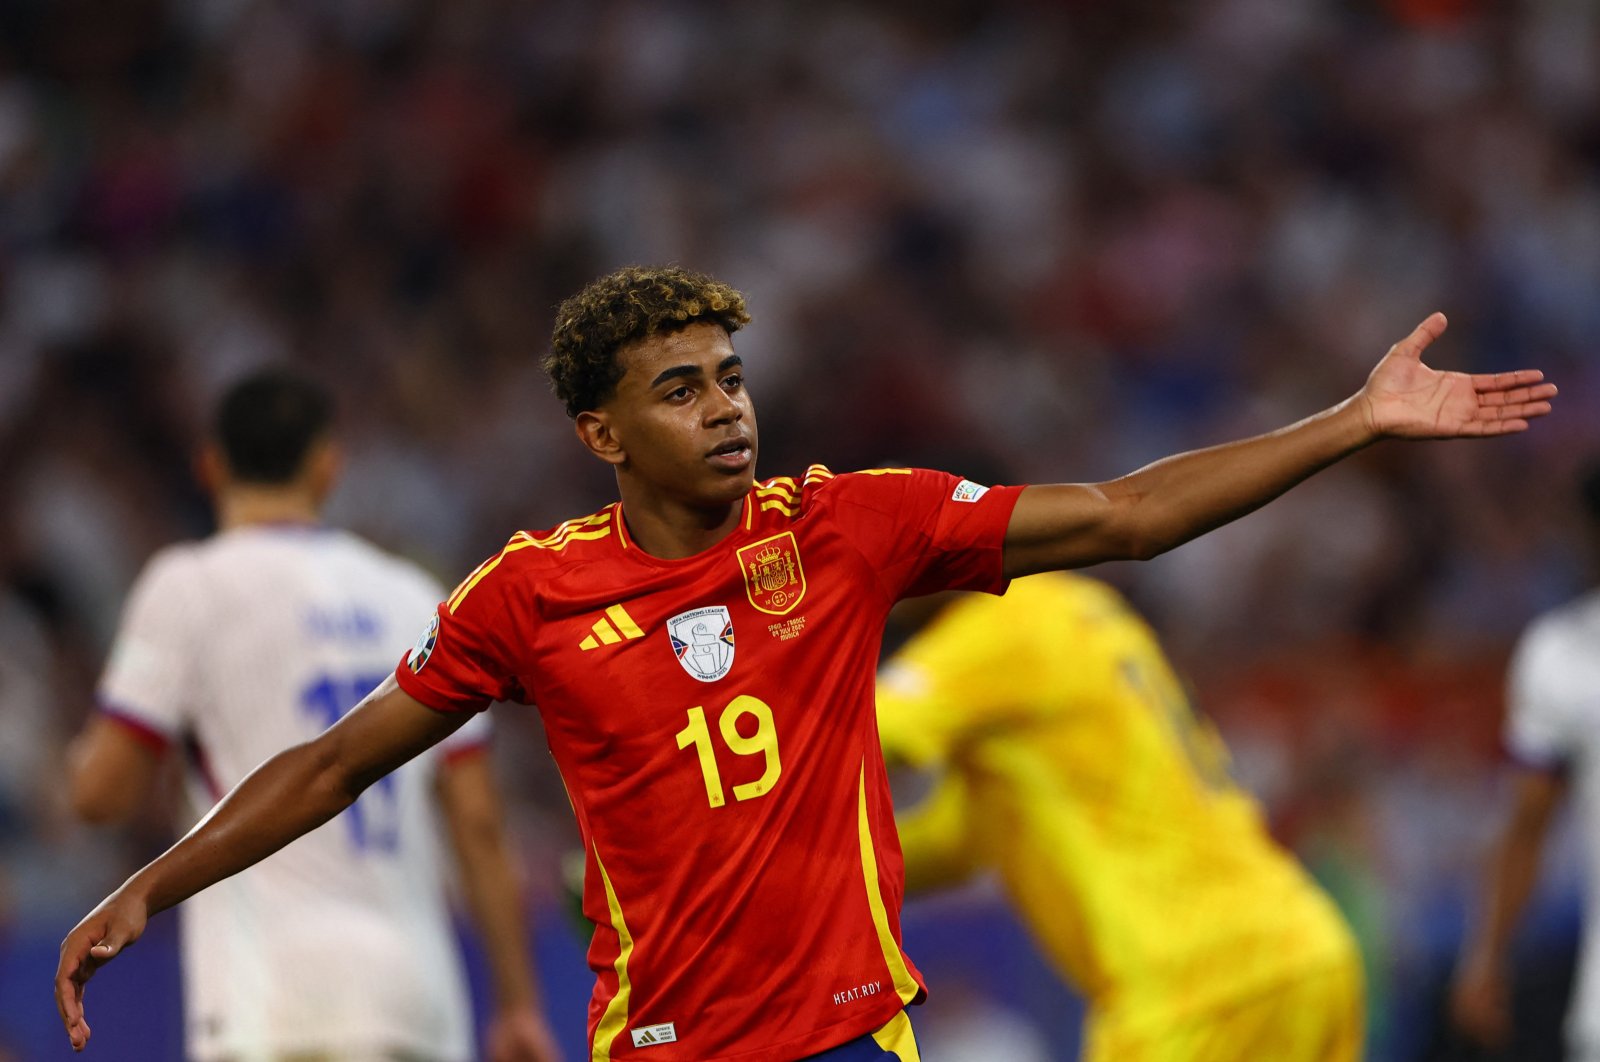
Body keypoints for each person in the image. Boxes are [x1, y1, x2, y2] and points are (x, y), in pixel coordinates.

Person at [56, 265, 1554, 1062]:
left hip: (850, 1034)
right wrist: (153, 882)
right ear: (603, 432)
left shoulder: (848, 528)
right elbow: (332, 762)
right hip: (663, 1045)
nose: (725, 409)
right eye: (680, 388)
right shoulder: (531, 592)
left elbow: (1132, 513)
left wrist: (1351, 421)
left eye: (732, 378)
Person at [64, 369, 562, 1062]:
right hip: (412, 996)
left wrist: (82, 760)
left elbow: (103, 795)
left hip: (268, 995)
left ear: (210, 467)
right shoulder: (412, 594)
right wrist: (518, 1004)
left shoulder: (187, 587)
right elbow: (477, 823)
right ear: (328, 466)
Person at [877, 572, 1363, 1060]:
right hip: (1300, 951)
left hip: (1194, 986)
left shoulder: (1000, 631)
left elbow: (867, 733)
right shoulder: (1075, 607)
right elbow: (961, 837)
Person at [1450, 461, 1600, 1061]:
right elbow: (1528, 823)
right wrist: (1486, 955)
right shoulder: (1561, 654)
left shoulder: (1565, 655)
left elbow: (1526, 822)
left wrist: (1485, 958)